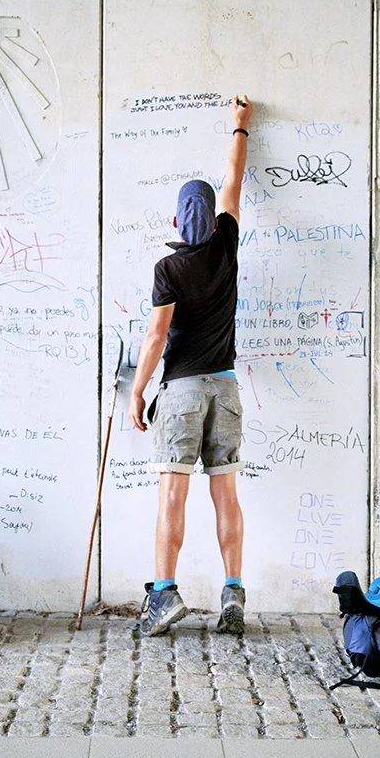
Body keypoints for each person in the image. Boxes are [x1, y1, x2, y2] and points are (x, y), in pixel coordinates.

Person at [128, 93, 254, 636]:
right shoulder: (227, 243)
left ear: (177, 218)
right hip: (225, 389)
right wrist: (239, 126)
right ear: (214, 215)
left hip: (179, 392)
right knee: (225, 491)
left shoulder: (168, 267)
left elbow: (158, 335)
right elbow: (233, 178)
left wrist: (136, 391)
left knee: (172, 493)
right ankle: (233, 593)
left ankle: (164, 596)